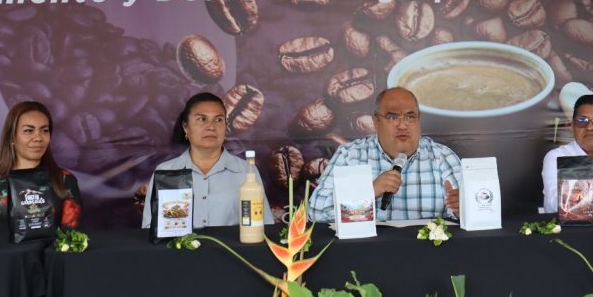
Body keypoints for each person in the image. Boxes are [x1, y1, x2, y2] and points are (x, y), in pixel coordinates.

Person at [308, 87, 462, 223]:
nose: (403, 125)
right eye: (392, 117)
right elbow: (316, 212)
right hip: (368, 246)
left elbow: (469, 211)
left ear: (418, 119)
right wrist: (369, 193)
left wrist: (462, 210)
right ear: (375, 122)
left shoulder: (442, 156)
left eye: (410, 117)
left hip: (427, 246)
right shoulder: (350, 155)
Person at [142, 92, 272, 229]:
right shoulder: (165, 171)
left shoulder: (246, 171)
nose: (211, 126)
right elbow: (149, 228)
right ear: (186, 127)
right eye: (201, 119)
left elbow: (264, 226)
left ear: (226, 127)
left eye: (218, 120)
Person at [0, 101, 82, 230]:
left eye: (44, 130)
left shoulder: (65, 180)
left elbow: (71, 236)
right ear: (12, 137)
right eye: (28, 130)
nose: (38, 138)